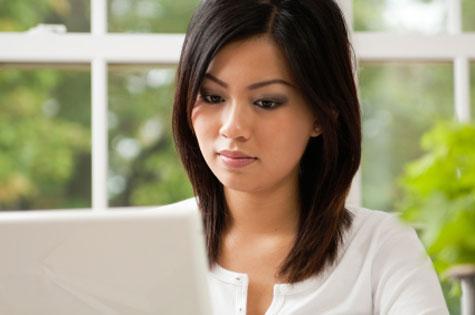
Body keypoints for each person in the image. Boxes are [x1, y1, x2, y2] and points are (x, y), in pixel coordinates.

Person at [172, 0, 449, 314]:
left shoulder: (382, 247)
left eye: (266, 102)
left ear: (322, 114)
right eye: (212, 97)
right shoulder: (147, 246)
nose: (233, 128)